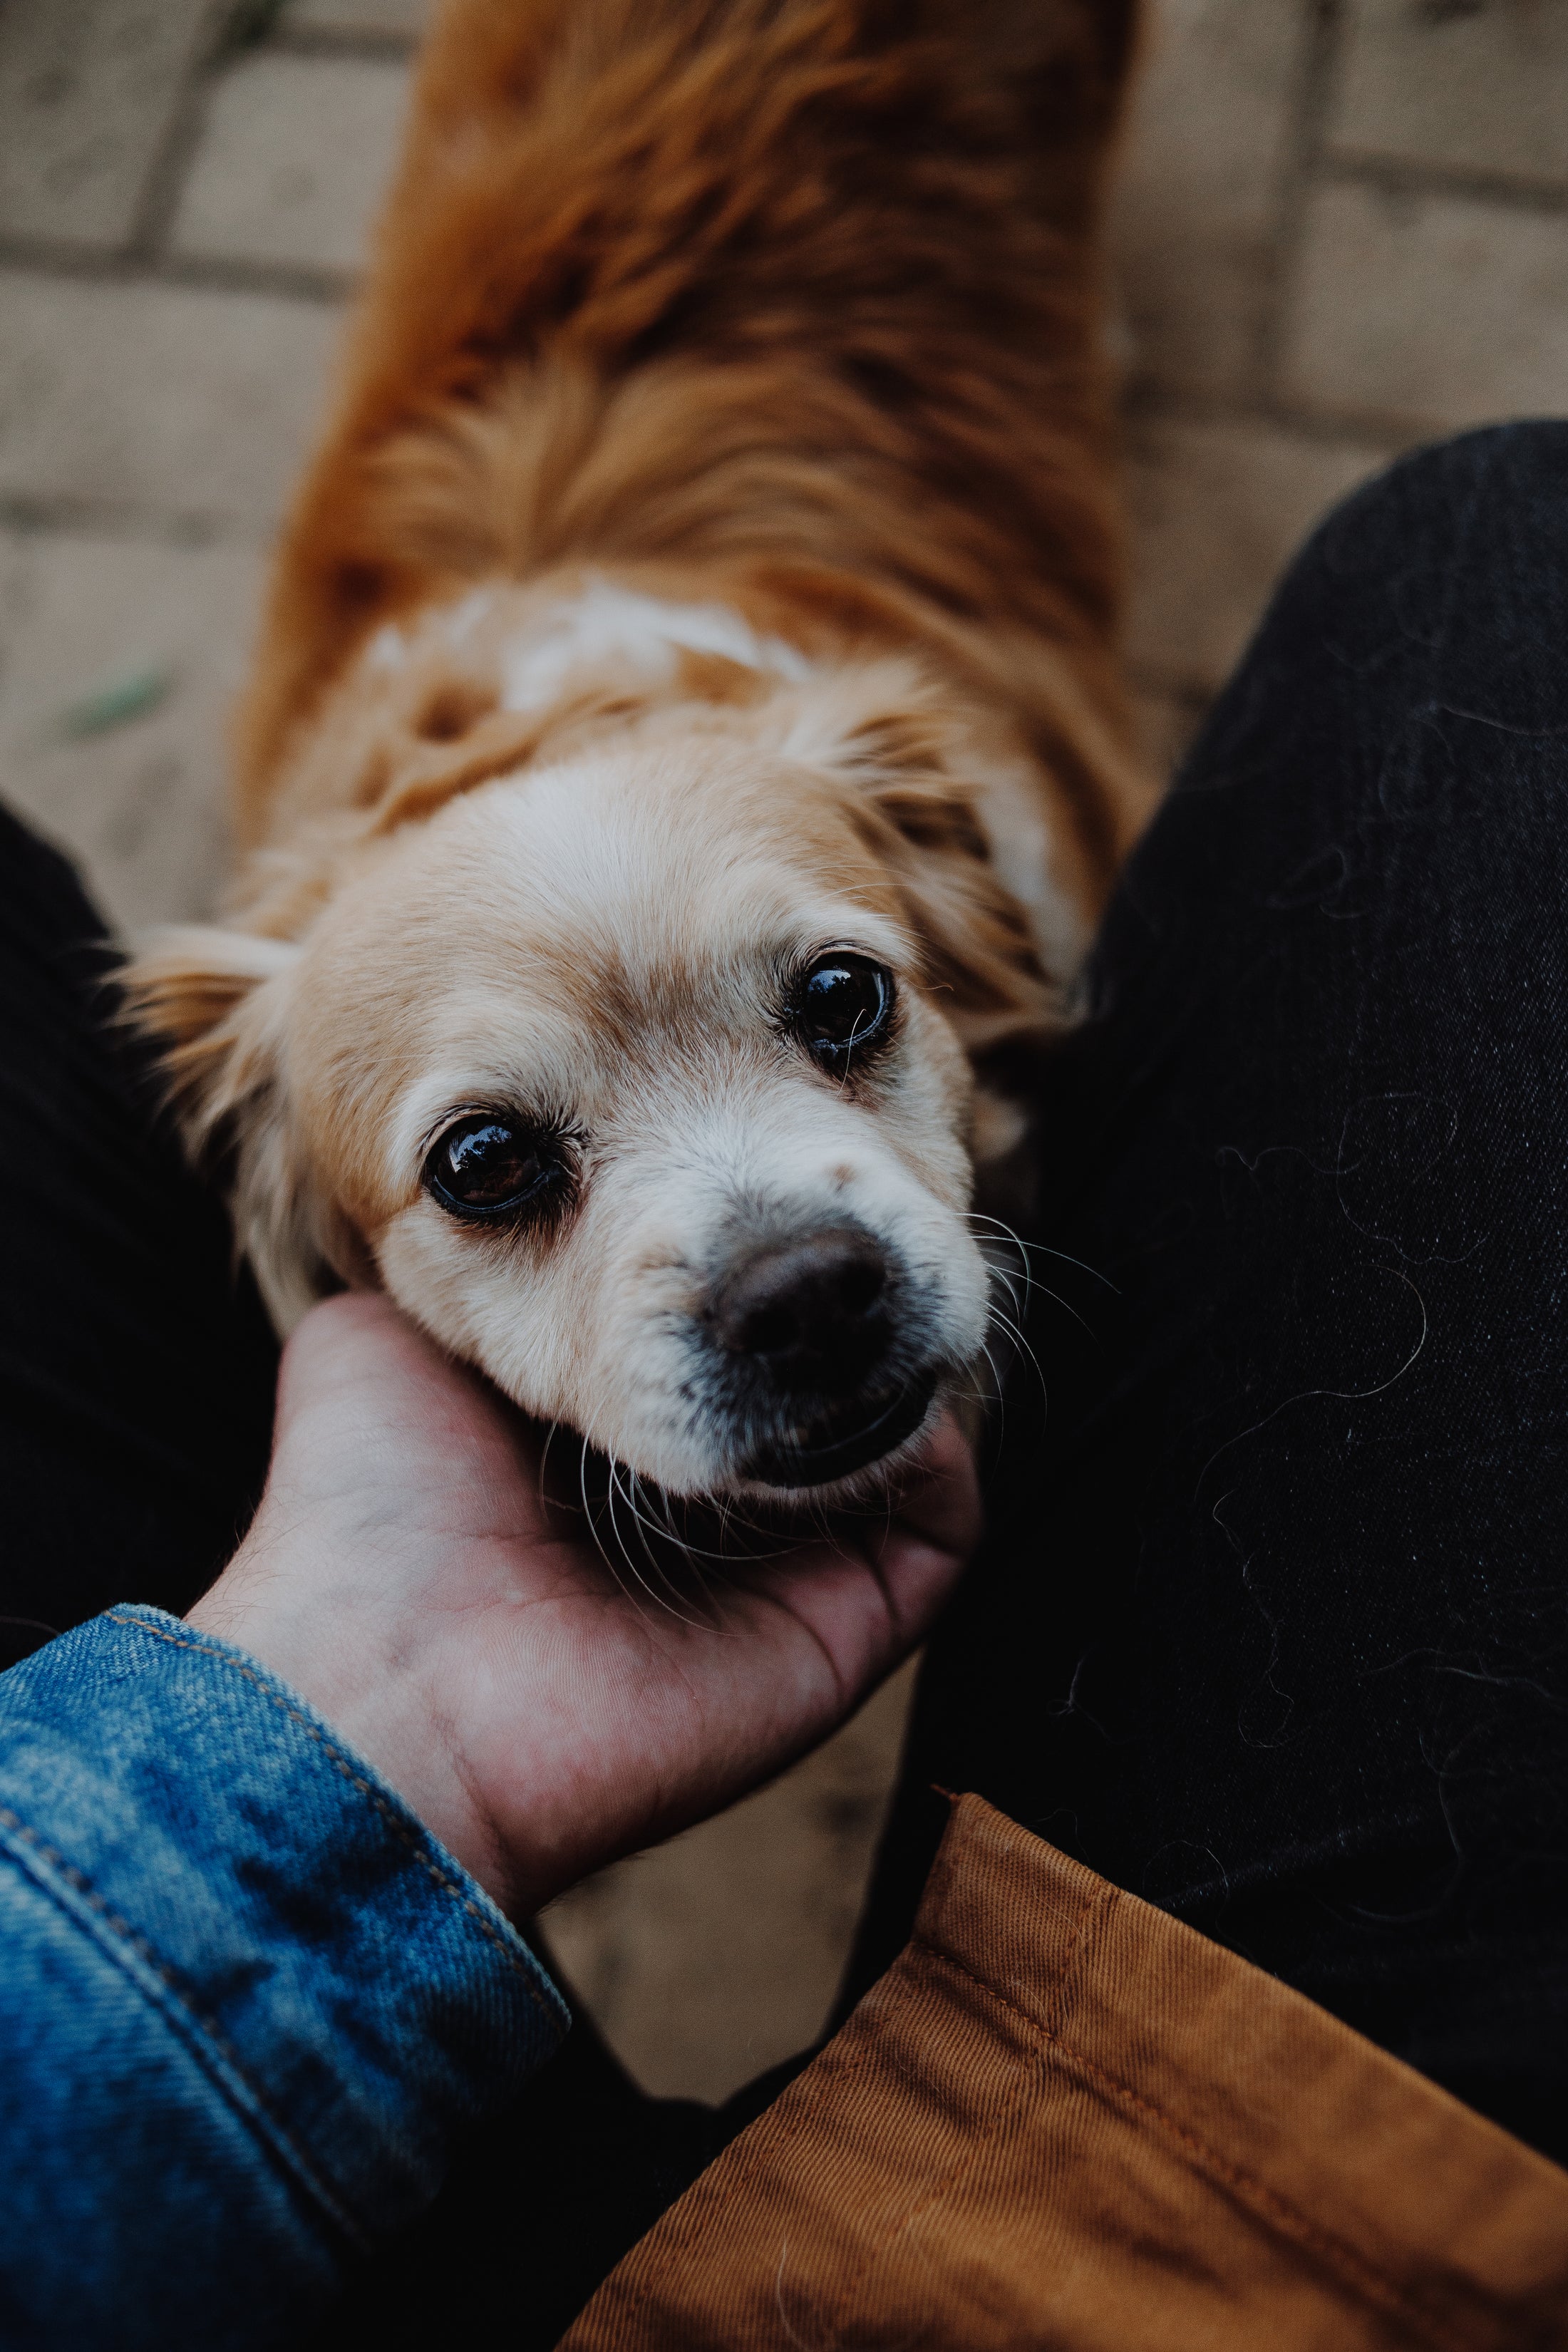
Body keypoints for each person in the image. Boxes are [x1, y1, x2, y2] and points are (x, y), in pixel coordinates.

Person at [3, 423, 1567, 2349]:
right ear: (323, 1254)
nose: (785, 1268)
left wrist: (358, 1736)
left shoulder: (916, 848)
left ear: (940, 961)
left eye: (837, 1011)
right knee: (1501, 544)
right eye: (500, 1167)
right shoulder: (281, 1106)